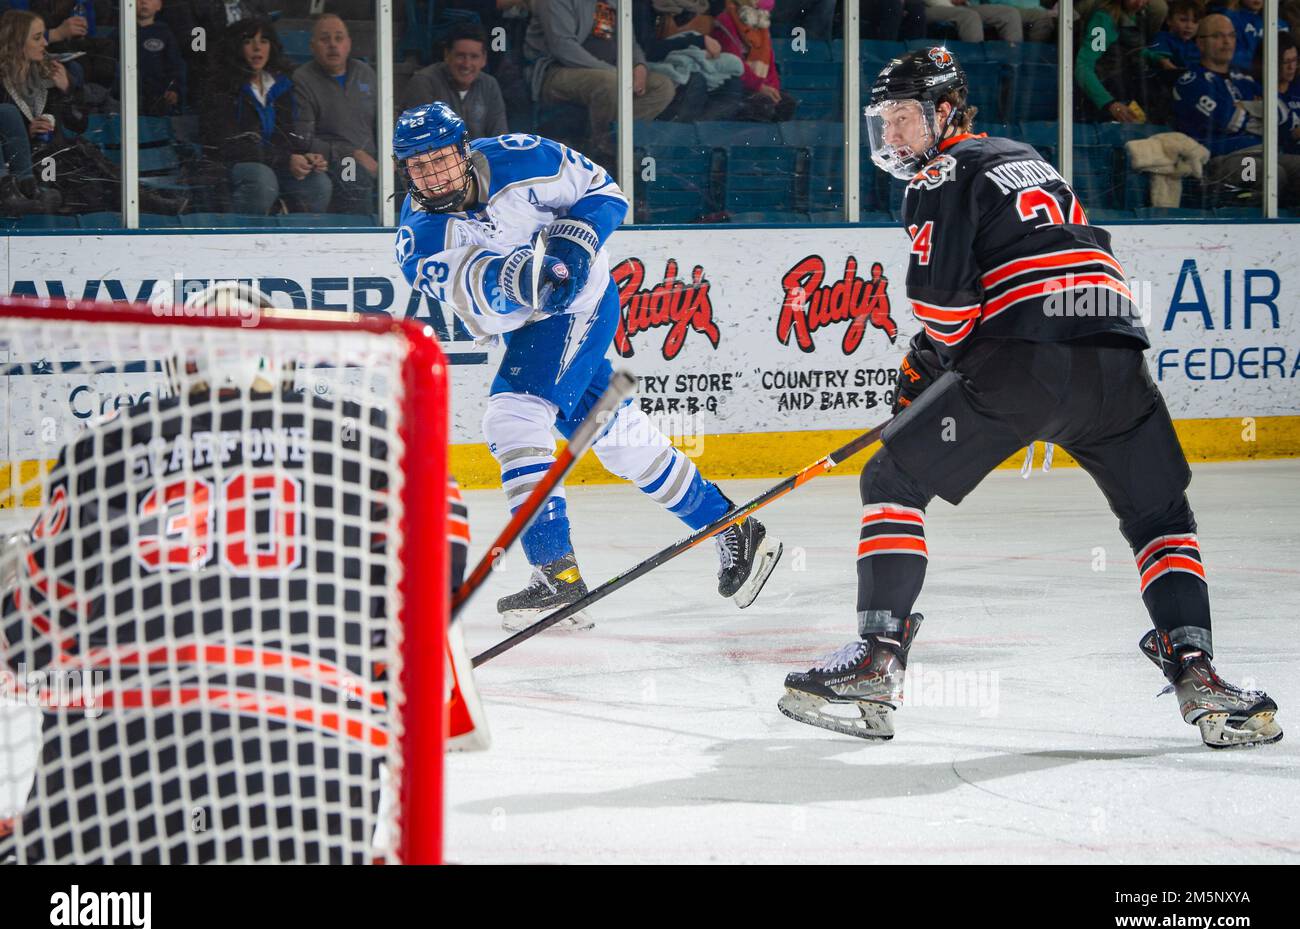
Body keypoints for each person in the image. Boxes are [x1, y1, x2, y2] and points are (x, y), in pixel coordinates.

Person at [779, 47, 1282, 749]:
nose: (892, 137)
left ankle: (877, 659)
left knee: (891, 478)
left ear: (946, 113)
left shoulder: (940, 173)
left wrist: (927, 363)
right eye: (885, 122)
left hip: (1030, 366)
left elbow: (948, 315)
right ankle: (1196, 669)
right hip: (1115, 361)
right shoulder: (1028, 157)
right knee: (1160, 513)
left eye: (904, 120)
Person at [0, 287, 397, 862]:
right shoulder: (367, 441)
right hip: (316, 782)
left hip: (115, 773)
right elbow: (435, 585)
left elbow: (29, 636)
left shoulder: (105, 449)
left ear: (176, 365)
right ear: (283, 361)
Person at [391, 103, 783, 631]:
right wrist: (515, 277)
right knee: (620, 438)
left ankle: (557, 573)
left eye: (440, 158)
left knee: (513, 418)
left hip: (584, 303)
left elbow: (603, 192)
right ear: (405, 171)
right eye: (418, 165)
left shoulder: (521, 156)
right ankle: (733, 527)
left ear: (463, 149)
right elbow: (483, 300)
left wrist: (576, 241)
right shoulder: (421, 241)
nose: (433, 174)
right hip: (530, 324)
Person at [200, 17, 331, 216]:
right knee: (262, 180)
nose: (257, 48)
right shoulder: (221, 87)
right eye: (248, 42)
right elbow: (230, 145)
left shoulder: (281, 85)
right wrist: (285, 159)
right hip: (231, 167)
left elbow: (287, 135)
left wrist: (305, 158)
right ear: (235, 47)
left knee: (318, 183)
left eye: (263, 41)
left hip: (274, 162)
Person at [523, 0, 677, 164]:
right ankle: (602, 155)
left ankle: (606, 139)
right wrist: (616, 73)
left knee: (663, 87)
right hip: (556, 71)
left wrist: (640, 67)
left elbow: (630, 43)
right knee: (610, 83)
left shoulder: (617, 2)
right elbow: (563, 47)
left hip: (612, 72)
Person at [1172, 13, 1300, 204]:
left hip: (1263, 152)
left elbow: (1282, 114)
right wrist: (1261, 114)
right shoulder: (1192, 82)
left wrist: (1245, 108)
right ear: (1200, 43)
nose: (1226, 42)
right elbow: (1230, 121)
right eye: (1218, 36)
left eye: (1231, 35)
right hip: (1220, 160)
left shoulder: (1245, 81)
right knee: (1272, 175)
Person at [292, 14, 379, 216]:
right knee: (355, 178)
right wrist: (352, 153)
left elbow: (386, 122)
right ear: (312, 46)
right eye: (325, 39)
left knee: (411, 178)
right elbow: (303, 139)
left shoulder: (366, 73)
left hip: (374, 160)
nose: (333, 45)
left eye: (339, 38)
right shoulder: (302, 79)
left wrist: (392, 157)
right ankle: (359, 245)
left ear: (348, 44)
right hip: (334, 161)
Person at [399, 21, 508, 139]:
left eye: (474, 57)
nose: (467, 64)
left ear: (484, 59)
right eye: (460, 56)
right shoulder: (425, 82)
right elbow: (421, 140)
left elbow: (499, 138)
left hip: (480, 156)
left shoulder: (489, 85)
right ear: (447, 55)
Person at [135, 0, 186, 116]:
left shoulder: (166, 34)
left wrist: (174, 89)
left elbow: (175, 65)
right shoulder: (118, 33)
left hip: (157, 96)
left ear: (159, 5)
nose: (143, 2)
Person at [922, 0, 1026, 44]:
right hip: (927, 7)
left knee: (1010, 14)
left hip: (963, 6)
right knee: (969, 16)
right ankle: (975, 72)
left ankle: (1011, 71)